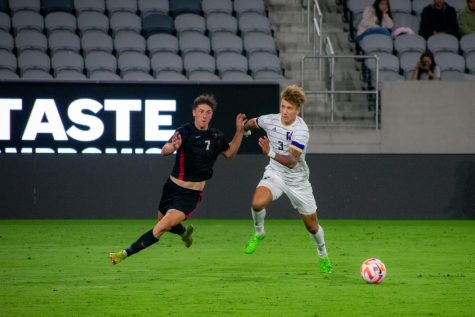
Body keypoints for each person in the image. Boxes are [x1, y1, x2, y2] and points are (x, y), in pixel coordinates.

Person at [109, 94, 247, 264]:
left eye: (208, 112)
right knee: (162, 222)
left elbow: (230, 153)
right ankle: (184, 234)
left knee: (161, 227)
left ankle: (123, 254)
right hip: (171, 188)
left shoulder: (216, 136)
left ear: (211, 115)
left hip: (190, 195)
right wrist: (172, 146)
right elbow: (165, 150)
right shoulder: (184, 131)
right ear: (194, 113)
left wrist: (240, 131)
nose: (204, 115)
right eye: (201, 111)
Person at [242, 85, 332, 274]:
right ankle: (259, 233)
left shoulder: (301, 130)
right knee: (257, 203)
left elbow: (291, 161)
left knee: (312, 226)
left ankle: (322, 253)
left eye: (289, 108)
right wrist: (246, 130)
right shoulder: (270, 120)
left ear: (297, 110)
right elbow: (251, 122)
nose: (284, 111)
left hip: (298, 181)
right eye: (282, 106)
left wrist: (270, 152)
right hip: (275, 174)